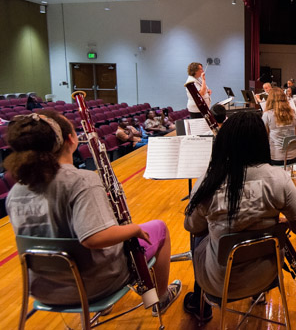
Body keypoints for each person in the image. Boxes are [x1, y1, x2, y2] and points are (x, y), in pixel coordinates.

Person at [4, 111, 181, 314]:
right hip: (94, 286)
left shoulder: (16, 191)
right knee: (160, 228)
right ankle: (162, 297)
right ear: (71, 139)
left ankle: (102, 309)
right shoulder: (81, 180)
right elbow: (94, 238)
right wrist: (132, 230)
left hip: (43, 289)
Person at [182, 111, 296, 320]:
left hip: (219, 283)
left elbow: (193, 228)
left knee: (198, 239)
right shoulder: (279, 178)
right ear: (262, 142)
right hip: (267, 276)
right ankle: (258, 295)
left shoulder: (208, 181)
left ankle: (200, 303)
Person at [262, 88, 296, 165]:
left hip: (276, 158)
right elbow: (295, 134)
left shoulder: (267, 115)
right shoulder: (294, 114)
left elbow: (264, 136)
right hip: (294, 156)